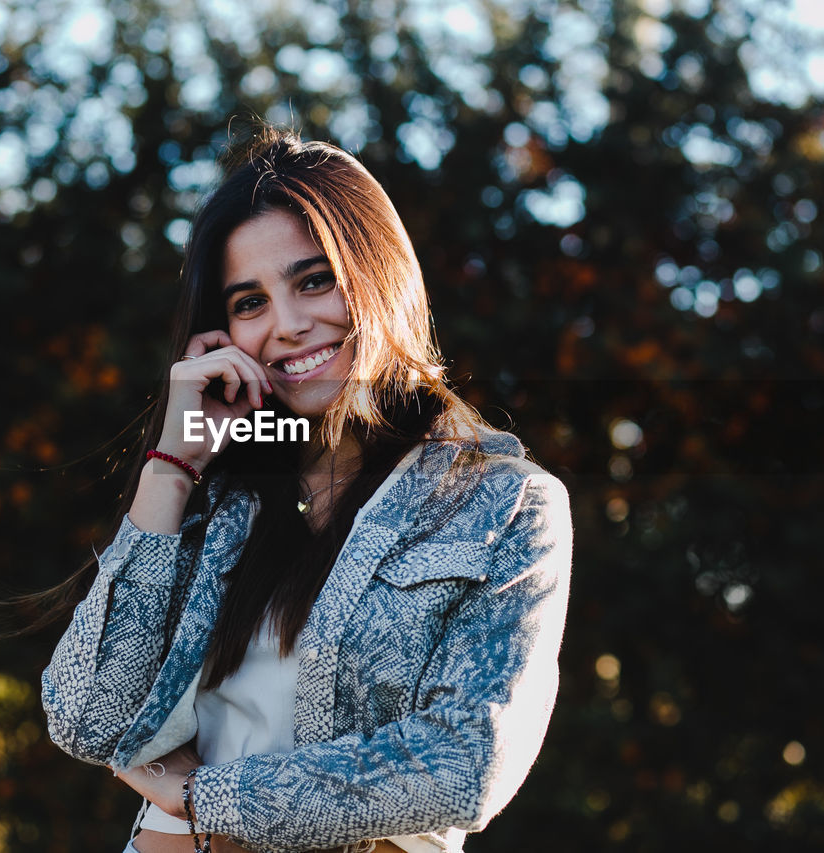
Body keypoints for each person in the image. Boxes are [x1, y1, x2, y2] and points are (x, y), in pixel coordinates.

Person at [41, 127, 573, 853]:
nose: (287, 325)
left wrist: (206, 796)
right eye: (248, 302)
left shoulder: (503, 503)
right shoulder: (219, 497)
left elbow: (465, 764)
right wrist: (171, 467)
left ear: (378, 272)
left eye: (313, 279)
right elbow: (85, 716)